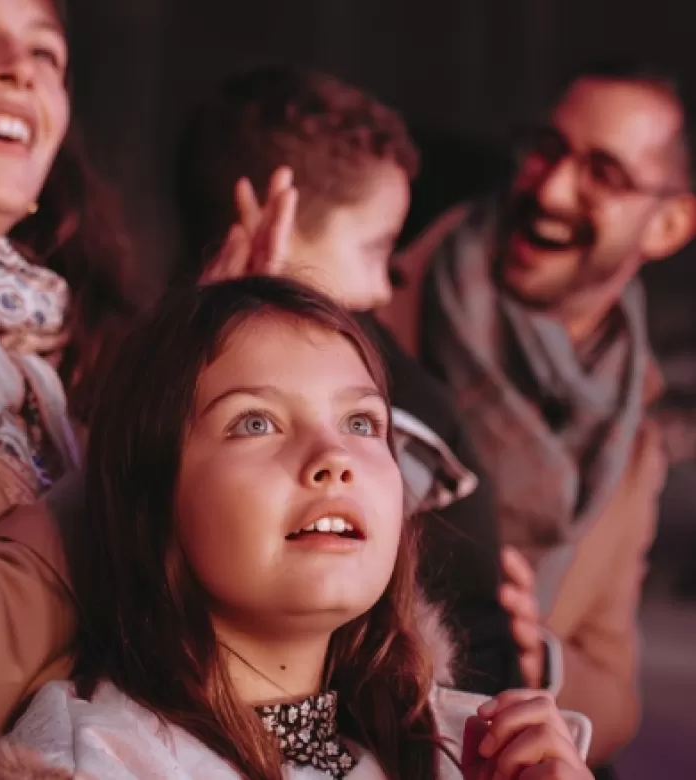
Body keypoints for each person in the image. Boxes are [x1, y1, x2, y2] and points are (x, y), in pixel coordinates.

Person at [0, 277, 593, 780]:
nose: (333, 460)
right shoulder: (91, 761)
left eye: (362, 424)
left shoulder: (478, 749)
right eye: (256, 423)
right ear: (152, 492)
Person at [378, 61, 696, 766]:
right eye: (547, 150)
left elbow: (617, 687)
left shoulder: (630, 430)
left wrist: (539, 655)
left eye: (603, 173)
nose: (550, 188)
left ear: (669, 222)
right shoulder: (374, 309)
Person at [175, 66, 524, 696]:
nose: (382, 289)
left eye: (361, 425)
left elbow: (470, 638)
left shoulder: (407, 403)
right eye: (374, 248)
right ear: (268, 213)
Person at [0, 0, 141, 766]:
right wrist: (115, 481)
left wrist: (211, 370)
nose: (19, 63)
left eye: (47, 53)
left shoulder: (75, 362)